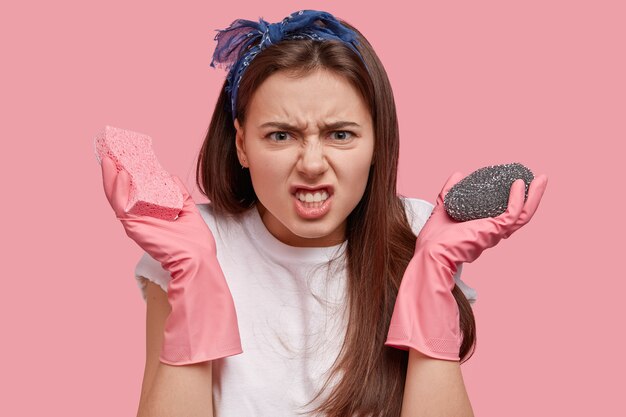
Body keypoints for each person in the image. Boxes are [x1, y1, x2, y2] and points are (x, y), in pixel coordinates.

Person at [99, 9, 547, 417]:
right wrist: (194, 276)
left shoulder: (419, 233)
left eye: (340, 134)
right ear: (241, 145)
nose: (312, 164)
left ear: (377, 143)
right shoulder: (191, 242)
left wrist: (431, 273)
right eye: (280, 136)